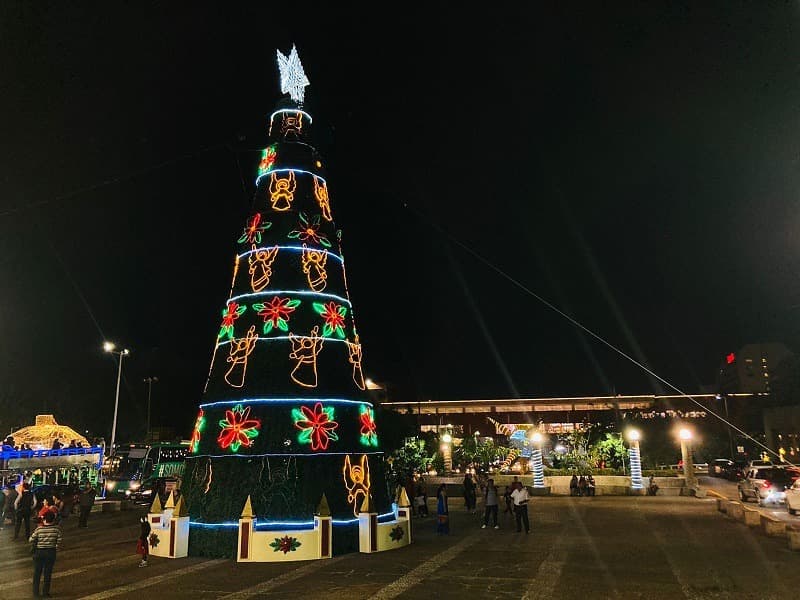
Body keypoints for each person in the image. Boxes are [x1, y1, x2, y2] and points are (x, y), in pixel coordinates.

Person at [29, 509, 62, 598]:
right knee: (48, 573)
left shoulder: (39, 529)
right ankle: (45, 593)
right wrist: (56, 547)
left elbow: (31, 539)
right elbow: (59, 541)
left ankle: (36, 594)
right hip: (51, 552)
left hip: (39, 552)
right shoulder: (56, 529)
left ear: (44, 519)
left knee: (37, 573)